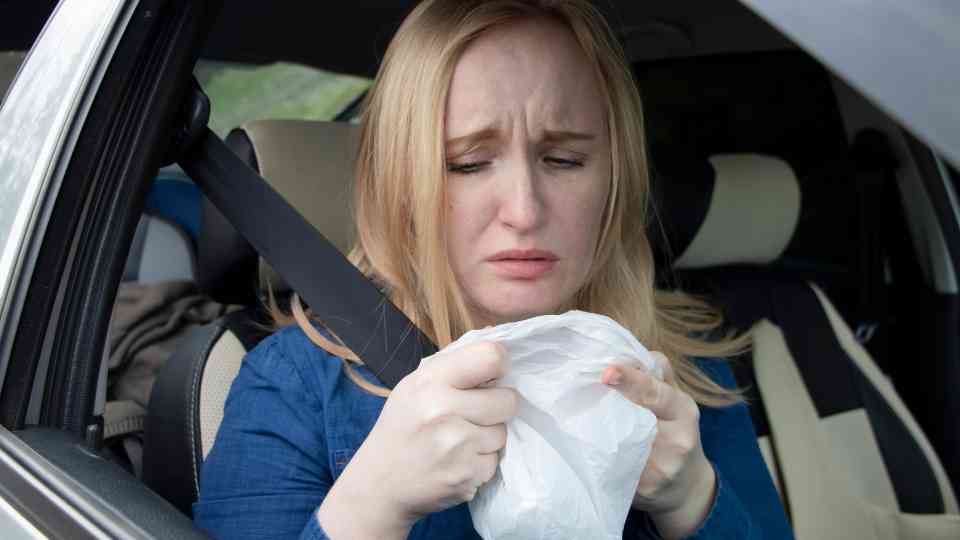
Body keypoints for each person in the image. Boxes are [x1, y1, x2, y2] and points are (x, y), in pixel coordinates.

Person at [193, 1, 793, 538]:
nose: (525, 212)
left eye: (563, 159)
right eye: (469, 163)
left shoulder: (679, 375)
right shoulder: (296, 386)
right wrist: (371, 505)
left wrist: (692, 499)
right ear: (403, 184)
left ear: (616, 179)